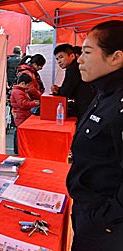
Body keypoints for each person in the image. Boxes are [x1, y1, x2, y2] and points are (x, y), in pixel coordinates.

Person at [66, 20, 123, 250]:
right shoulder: (104, 93)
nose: (79, 59)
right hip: (88, 211)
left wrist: (105, 218)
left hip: (107, 226)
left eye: (87, 52)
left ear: (115, 57)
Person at [50, 43, 95, 120]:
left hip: (85, 104)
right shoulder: (78, 67)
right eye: (57, 59)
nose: (59, 61)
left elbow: (66, 92)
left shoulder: (72, 69)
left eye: (61, 57)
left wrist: (58, 90)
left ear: (72, 56)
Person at [10, 73, 40, 154]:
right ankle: (18, 149)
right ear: (23, 83)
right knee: (19, 132)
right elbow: (23, 104)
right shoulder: (18, 92)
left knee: (19, 132)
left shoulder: (19, 91)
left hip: (21, 114)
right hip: (21, 115)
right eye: (28, 85)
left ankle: (18, 149)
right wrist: (34, 103)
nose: (29, 87)